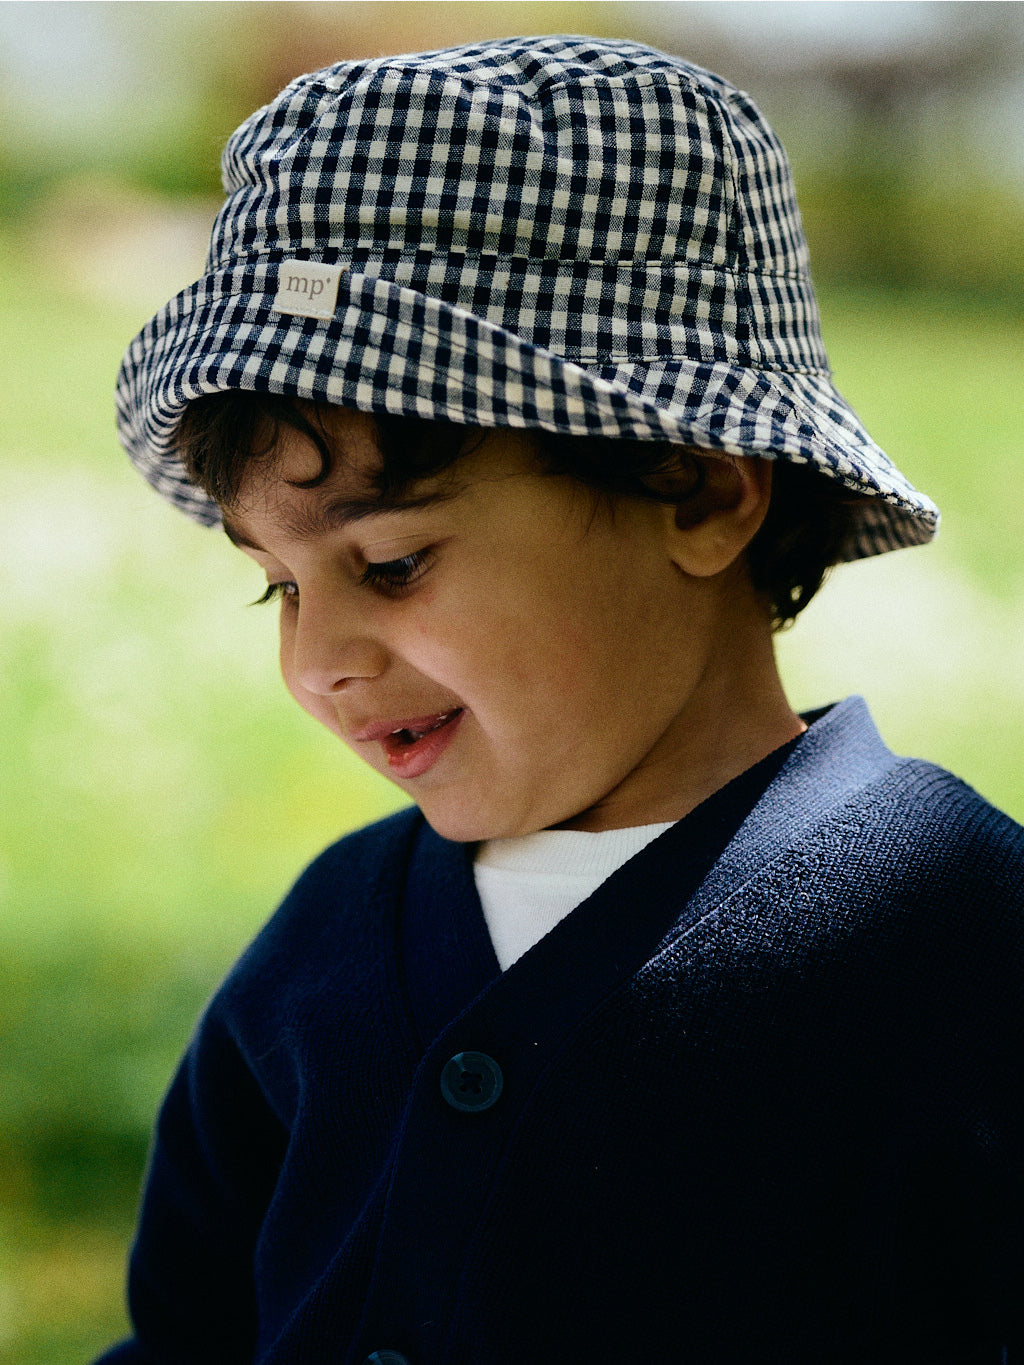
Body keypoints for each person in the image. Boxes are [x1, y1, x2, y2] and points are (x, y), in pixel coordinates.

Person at [98, 35, 1023, 1365]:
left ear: (698, 490)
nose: (317, 662)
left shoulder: (966, 949)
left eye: (392, 562)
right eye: (279, 587)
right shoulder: (324, 954)